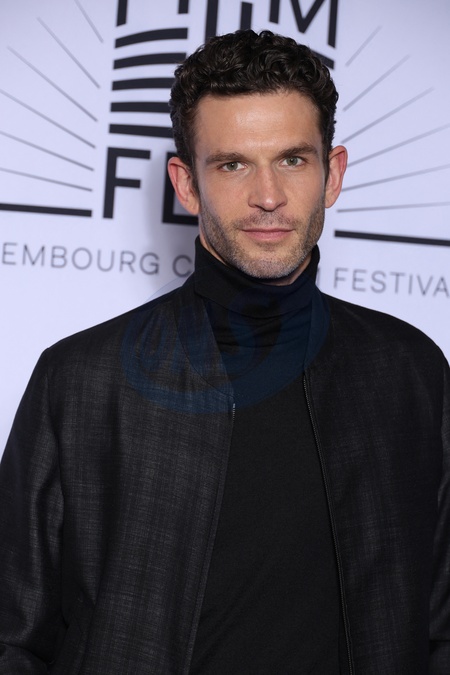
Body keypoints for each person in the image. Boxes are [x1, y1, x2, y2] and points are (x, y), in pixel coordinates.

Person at [0, 29, 449, 675]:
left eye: (292, 160)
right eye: (233, 164)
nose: (268, 196)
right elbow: (14, 637)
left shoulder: (410, 372)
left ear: (333, 174)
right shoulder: (82, 380)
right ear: (186, 184)